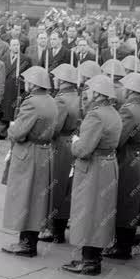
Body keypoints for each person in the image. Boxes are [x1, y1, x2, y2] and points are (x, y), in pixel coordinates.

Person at [62, 74, 122, 276]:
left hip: (93, 167)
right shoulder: (113, 112)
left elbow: (83, 150)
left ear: (97, 93)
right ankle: (94, 258)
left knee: (87, 213)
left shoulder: (95, 115)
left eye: (89, 89)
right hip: (108, 165)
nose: (86, 93)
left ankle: (88, 261)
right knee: (100, 213)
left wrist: (74, 143)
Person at [1, 66, 58, 257]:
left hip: (28, 153)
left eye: (27, 80)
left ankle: (26, 244)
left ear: (34, 83)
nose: (25, 83)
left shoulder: (31, 103)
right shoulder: (51, 100)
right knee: (37, 199)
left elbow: (18, 132)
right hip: (44, 151)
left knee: (23, 197)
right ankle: (30, 242)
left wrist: (11, 127)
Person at [103, 72, 140, 260]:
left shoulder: (128, 110)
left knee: (123, 201)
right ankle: (124, 244)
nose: (122, 89)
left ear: (130, 90)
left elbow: (119, 138)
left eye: (125, 87)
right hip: (138, 158)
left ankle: (121, 248)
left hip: (126, 158)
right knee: (132, 203)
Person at [39, 63, 81, 244]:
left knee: (56, 187)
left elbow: (54, 128)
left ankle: (54, 230)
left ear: (64, 81)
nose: (54, 79)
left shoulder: (61, 100)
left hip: (59, 146)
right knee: (66, 188)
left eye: (57, 77)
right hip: (71, 141)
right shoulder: (75, 97)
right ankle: (59, 229)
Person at [0, 38, 29, 140]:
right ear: (10, 46)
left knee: (16, 111)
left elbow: (27, 76)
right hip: (6, 87)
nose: (16, 47)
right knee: (5, 110)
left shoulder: (25, 59)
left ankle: (16, 133)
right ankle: (2, 132)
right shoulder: (3, 58)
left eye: (17, 45)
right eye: (14, 45)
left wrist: (23, 88)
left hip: (18, 89)